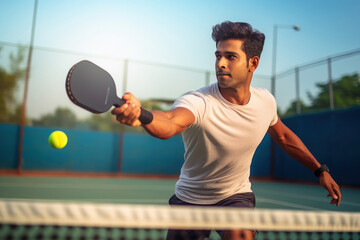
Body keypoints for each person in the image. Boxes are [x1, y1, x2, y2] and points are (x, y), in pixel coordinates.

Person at [111, 21, 341, 240]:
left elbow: (283, 136)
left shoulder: (265, 101)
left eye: (230, 57)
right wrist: (142, 115)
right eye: (218, 56)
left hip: (235, 196)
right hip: (191, 198)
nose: (220, 63)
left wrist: (320, 170)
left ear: (253, 63)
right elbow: (170, 122)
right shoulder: (198, 101)